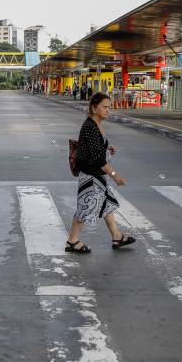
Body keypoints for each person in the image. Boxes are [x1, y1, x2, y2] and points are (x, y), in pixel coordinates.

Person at [66, 92, 136, 253]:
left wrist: (107, 149)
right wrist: (115, 175)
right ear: (94, 108)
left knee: (107, 205)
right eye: (104, 107)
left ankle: (116, 236)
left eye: (109, 107)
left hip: (97, 175)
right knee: (85, 208)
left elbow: (96, 150)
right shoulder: (90, 126)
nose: (108, 110)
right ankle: (72, 241)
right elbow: (98, 160)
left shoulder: (97, 124)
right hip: (91, 176)